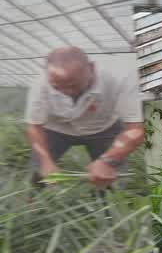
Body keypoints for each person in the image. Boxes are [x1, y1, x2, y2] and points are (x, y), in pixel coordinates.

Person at [25, 48, 144, 190]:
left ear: (91, 68)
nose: (66, 92)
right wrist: (45, 162)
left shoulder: (120, 78)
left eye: (74, 85)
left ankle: (109, 200)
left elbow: (135, 128)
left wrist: (108, 159)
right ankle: (31, 199)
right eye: (56, 87)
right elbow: (34, 126)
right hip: (56, 129)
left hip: (103, 127)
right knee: (38, 170)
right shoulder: (40, 84)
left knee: (110, 174)